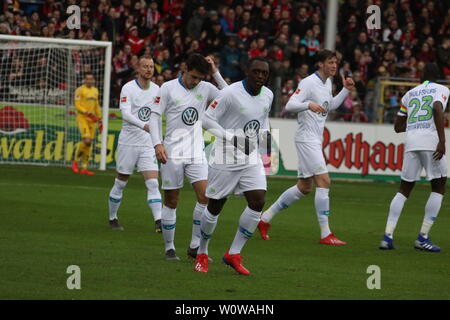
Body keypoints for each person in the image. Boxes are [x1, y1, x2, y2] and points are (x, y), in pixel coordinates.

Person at [258, 50, 354, 245]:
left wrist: (345, 90)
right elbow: (290, 105)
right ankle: (326, 234)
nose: (334, 65)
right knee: (324, 181)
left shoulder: (327, 82)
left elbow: (329, 105)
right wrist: (308, 104)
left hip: (314, 139)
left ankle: (264, 219)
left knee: (304, 187)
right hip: (306, 138)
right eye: (330, 62)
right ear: (320, 64)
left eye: (335, 62)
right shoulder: (309, 82)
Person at [194, 57, 273, 275]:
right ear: (247, 71)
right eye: (256, 71)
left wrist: (265, 150)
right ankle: (202, 252)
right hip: (225, 157)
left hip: (250, 157)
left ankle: (233, 253)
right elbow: (207, 120)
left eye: (264, 73)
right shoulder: (229, 93)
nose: (260, 76)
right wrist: (232, 139)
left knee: (258, 201)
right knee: (215, 206)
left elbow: (264, 121)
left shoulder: (268, 95)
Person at [149, 53, 228, 261]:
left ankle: (195, 247)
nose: (196, 82)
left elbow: (231, 96)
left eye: (200, 78)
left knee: (205, 197)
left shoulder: (206, 88)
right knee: (172, 201)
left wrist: (215, 72)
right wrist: (157, 144)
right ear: (184, 68)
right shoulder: (167, 88)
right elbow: (155, 116)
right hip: (172, 153)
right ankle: (169, 248)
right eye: (193, 76)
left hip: (196, 152)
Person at [380, 63, 449, 252]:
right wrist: (442, 141)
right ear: (439, 76)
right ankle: (422, 237)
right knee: (439, 185)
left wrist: (414, 126)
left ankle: (387, 236)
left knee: (404, 188)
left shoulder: (410, 94)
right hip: (431, 142)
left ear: (421, 77)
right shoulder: (442, 89)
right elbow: (436, 107)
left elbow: (397, 126)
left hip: (411, 143)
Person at [107, 56, 162, 232]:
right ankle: (112, 217)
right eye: (145, 66)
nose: (148, 69)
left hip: (147, 143)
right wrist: (144, 126)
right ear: (138, 68)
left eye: (151, 66)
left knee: (153, 183)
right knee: (121, 182)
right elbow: (126, 114)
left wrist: (158, 140)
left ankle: (159, 222)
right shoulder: (128, 88)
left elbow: (158, 117)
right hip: (129, 142)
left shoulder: (157, 90)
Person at [72, 72, 101, 175]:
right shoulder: (80, 90)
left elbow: (96, 105)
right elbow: (77, 104)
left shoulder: (95, 90)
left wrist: (99, 118)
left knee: (89, 144)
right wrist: (87, 112)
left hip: (92, 120)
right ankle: (75, 162)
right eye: (87, 79)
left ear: (93, 80)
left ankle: (84, 167)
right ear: (85, 80)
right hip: (83, 118)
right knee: (87, 140)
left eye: (91, 79)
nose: (89, 81)